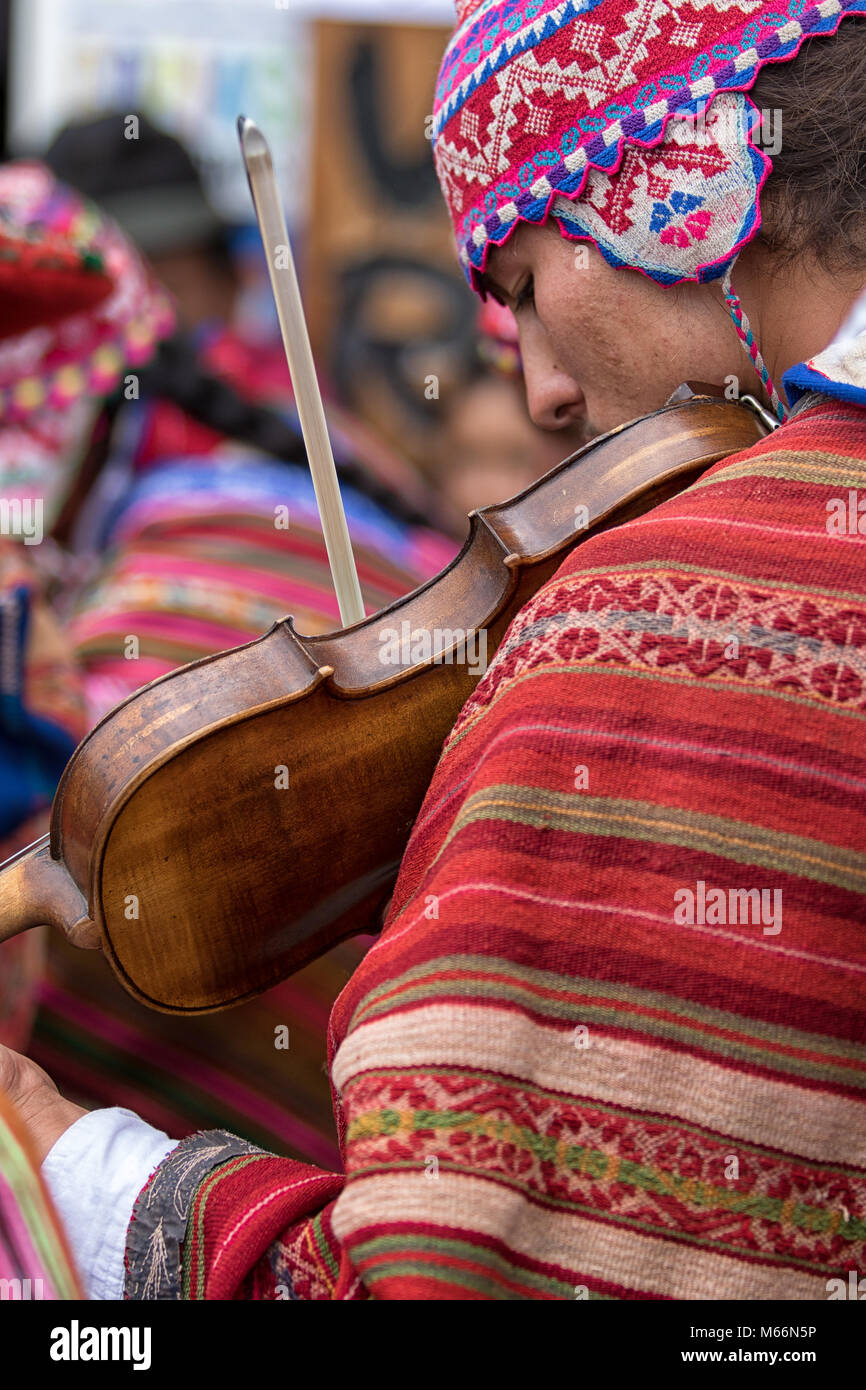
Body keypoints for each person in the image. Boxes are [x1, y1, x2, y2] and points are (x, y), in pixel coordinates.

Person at [3, 0, 866, 1300]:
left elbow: (459, 1276)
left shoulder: (673, 613)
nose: (541, 395)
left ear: (684, 183)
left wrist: (81, 1167)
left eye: (522, 284)